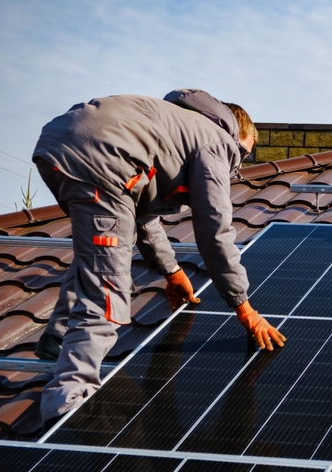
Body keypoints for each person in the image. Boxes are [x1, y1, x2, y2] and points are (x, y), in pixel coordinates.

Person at [30, 88, 285, 425]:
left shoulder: (171, 126)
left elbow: (140, 216)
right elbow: (215, 229)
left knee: (100, 245)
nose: (236, 166)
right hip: (104, 159)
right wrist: (243, 306)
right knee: (109, 286)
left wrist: (171, 271)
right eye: (242, 155)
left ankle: (58, 338)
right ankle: (67, 400)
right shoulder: (215, 141)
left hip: (59, 146)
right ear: (236, 136)